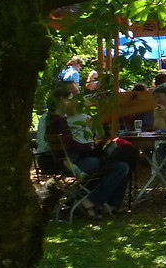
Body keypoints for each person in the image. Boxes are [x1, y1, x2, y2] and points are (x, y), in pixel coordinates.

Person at [41, 83, 131, 216]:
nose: (71, 103)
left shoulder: (53, 119)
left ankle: (106, 203)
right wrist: (92, 147)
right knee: (121, 166)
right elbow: (71, 145)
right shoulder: (59, 122)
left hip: (69, 160)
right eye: (69, 99)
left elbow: (71, 144)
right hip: (73, 162)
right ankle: (94, 201)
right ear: (61, 100)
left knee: (122, 165)